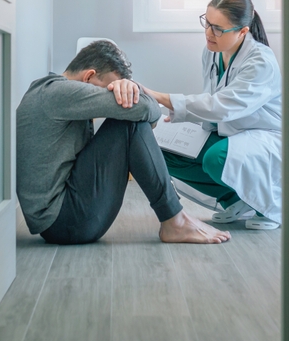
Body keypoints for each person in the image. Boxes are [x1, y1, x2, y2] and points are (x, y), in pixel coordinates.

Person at [16, 40, 231, 245]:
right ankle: (175, 220)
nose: (114, 95)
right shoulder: (60, 93)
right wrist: (133, 89)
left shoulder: (48, 90)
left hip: (62, 219)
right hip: (65, 222)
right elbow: (148, 109)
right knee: (129, 124)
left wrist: (129, 88)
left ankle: (175, 217)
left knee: (129, 121)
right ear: (88, 77)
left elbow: (151, 111)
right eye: (111, 89)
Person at [140, 0, 282, 230]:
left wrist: (162, 98)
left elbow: (224, 106)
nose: (208, 33)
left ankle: (267, 207)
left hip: (263, 137)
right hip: (229, 132)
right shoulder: (212, 52)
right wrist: (179, 124)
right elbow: (211, 99)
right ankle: (236, 200)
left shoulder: (260, 62)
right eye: (207, 23)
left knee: (217, 158)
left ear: (242, 32)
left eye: (218, 29)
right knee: (157, 149)